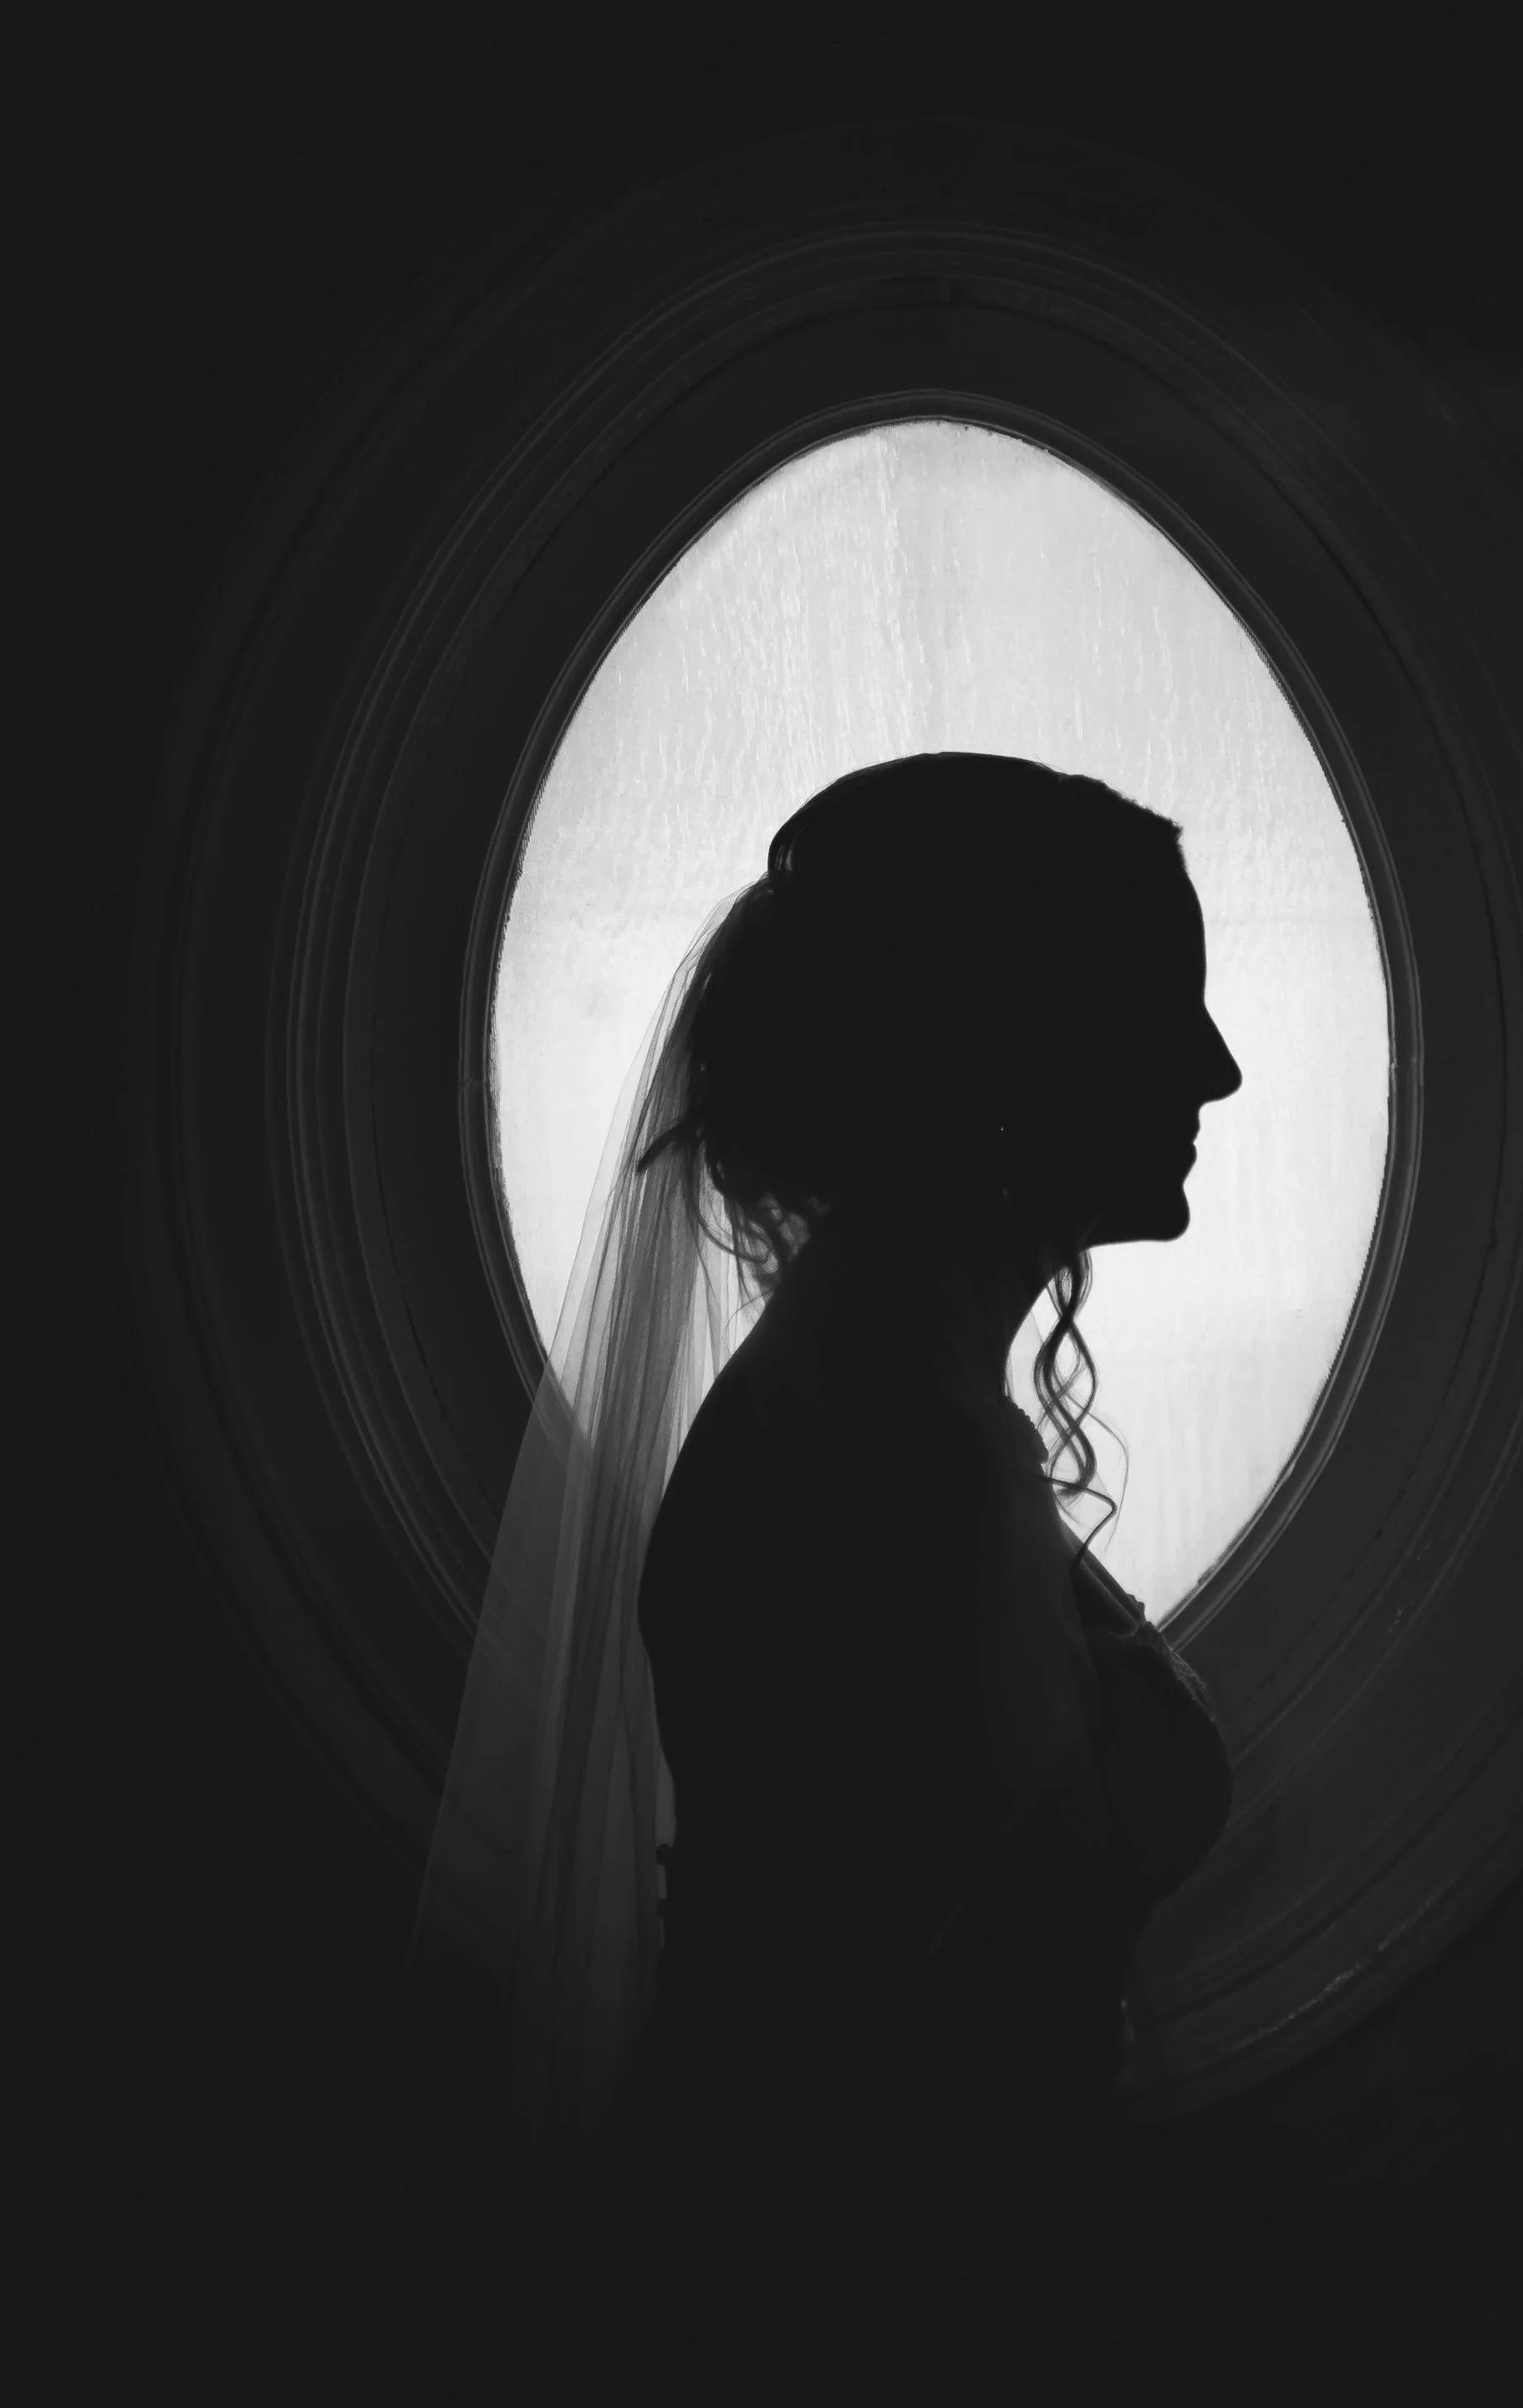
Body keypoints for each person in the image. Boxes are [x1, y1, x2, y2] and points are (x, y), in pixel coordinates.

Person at [400, 752, 1242, 2401]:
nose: (1214, 1069)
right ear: (1020, 1053)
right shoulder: (908, 1458)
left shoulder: (876, 1389)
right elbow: (994, 2046)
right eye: (1165, 1008)